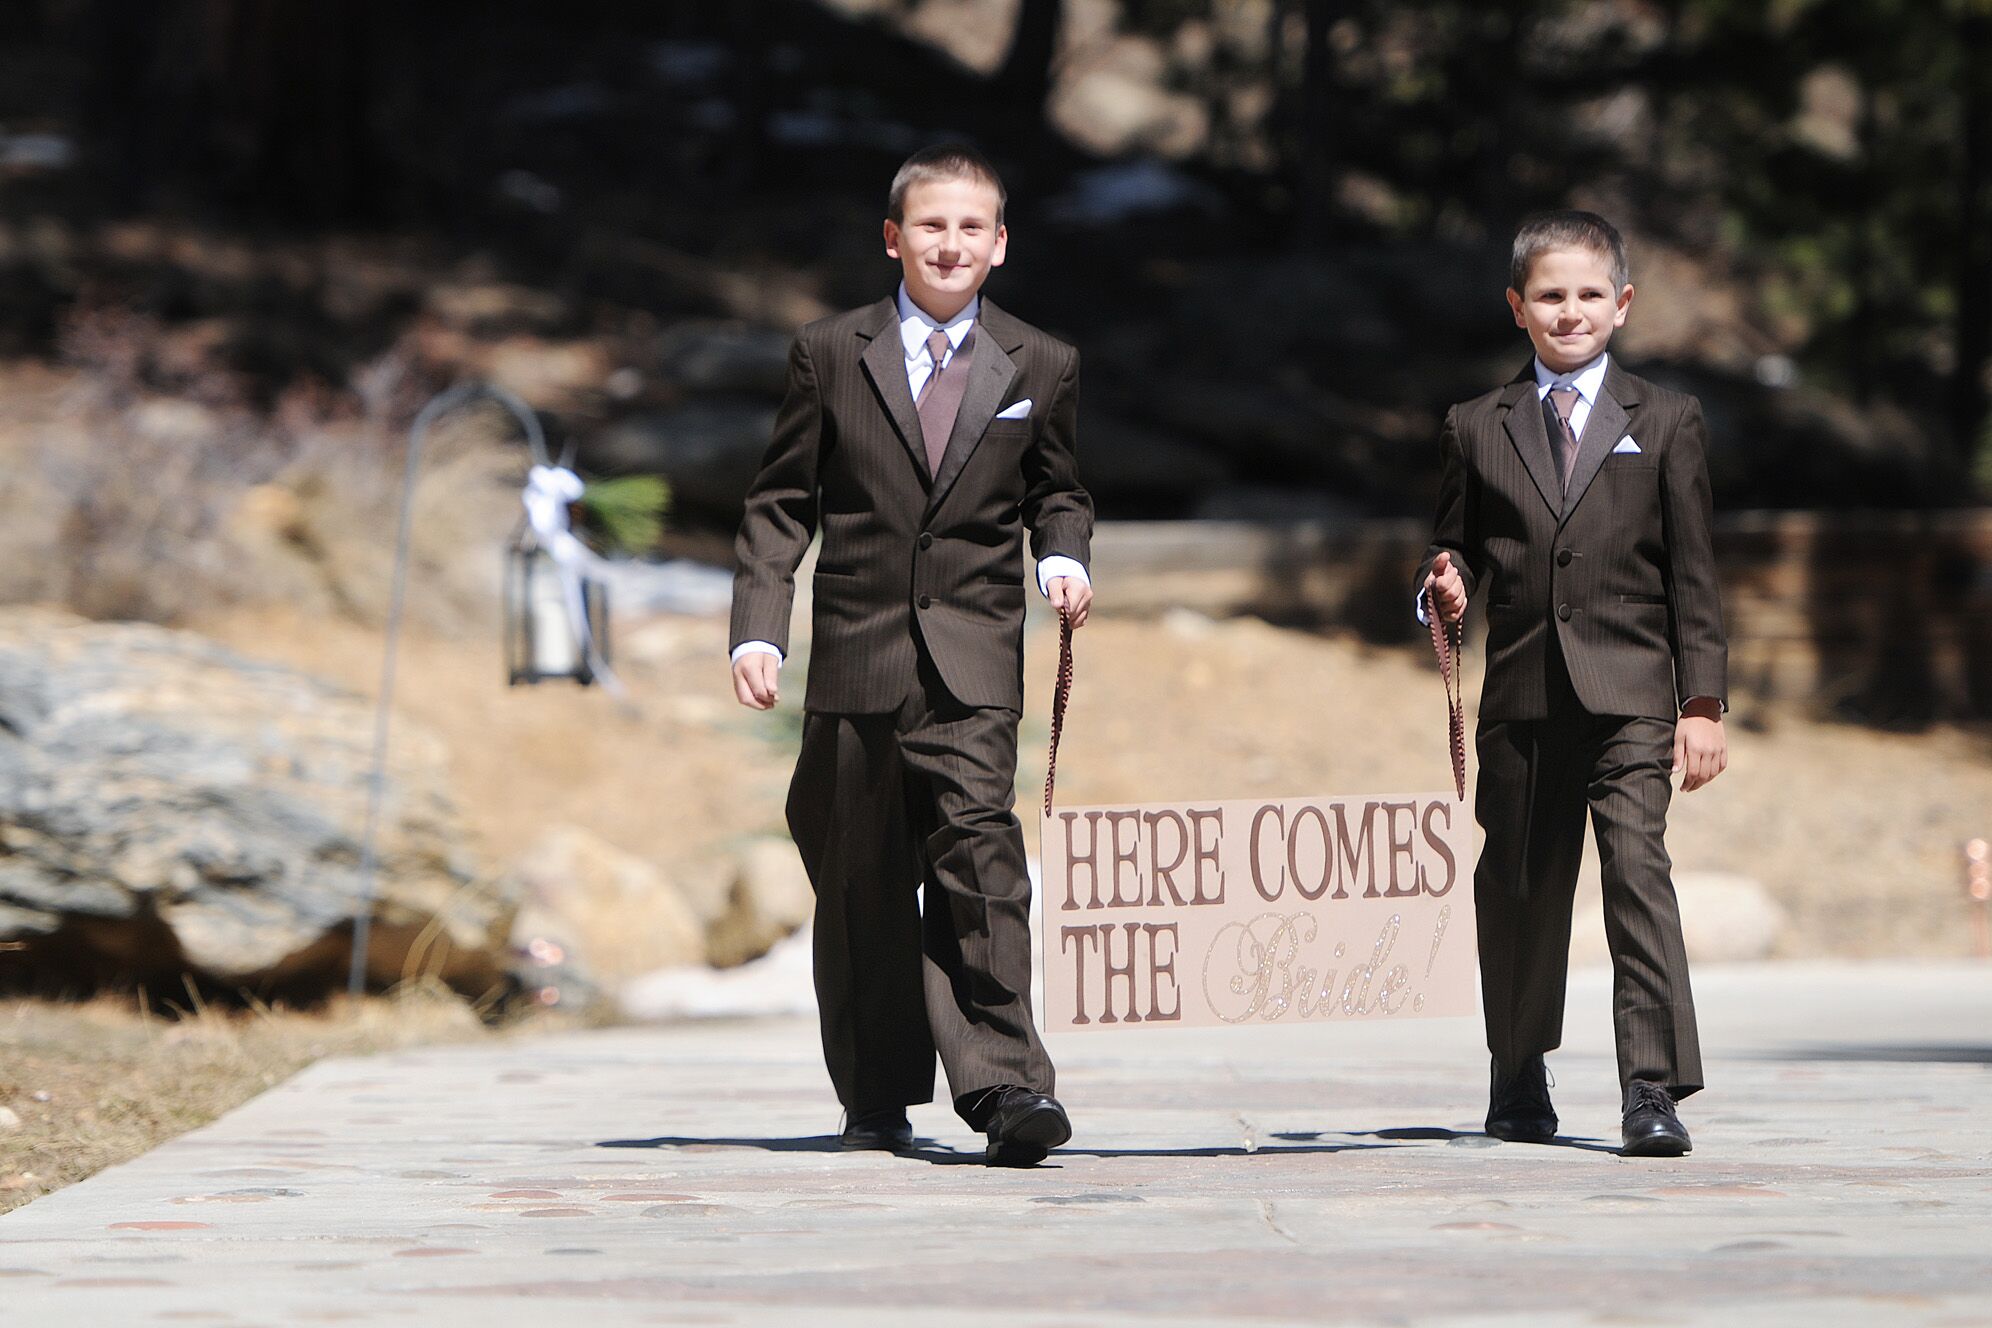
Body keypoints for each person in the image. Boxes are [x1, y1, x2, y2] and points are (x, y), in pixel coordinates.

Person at [728, 143, 1093, 1167]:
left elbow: (1059, 490)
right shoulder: (830, 353)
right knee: (862, 879)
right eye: (930, 225)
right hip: (859, 653)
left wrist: (1061, 557)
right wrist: (761, 624)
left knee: (980, 854)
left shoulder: (1042, 363)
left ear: (1002, 244)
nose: (950, 242)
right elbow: (780, 500)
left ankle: (1009, 1082)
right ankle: (877, 1093)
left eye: (971, 226)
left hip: (974, 657)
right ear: (893, 237)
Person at [1417, 211, 1729, 1157]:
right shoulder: (1476, 425)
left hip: (1633, 691)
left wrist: (1702, 702)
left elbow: (1695, 573)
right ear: (1518, 306)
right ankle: (1517, 1074)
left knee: (1639, 873)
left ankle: (1652, 1088)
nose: (1570, 311)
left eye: (1590, 294)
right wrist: (1445, 582)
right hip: (1521, 694)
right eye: (1550, 295)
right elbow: (1453, 544)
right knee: (1517, 884)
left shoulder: (1666, 420)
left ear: (1623, 304)